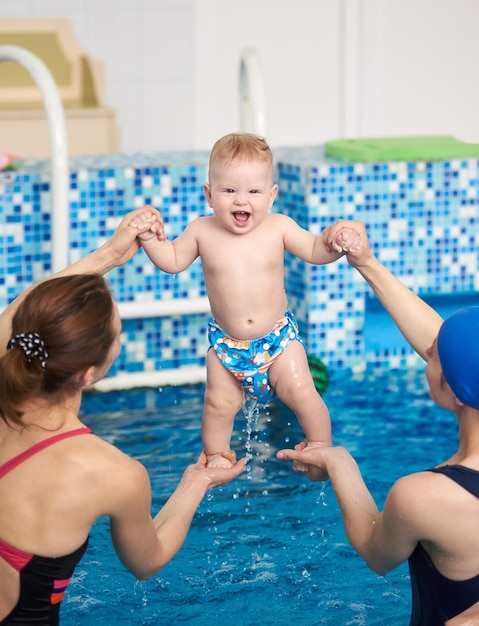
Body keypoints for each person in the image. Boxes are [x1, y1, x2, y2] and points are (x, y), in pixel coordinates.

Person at [0, 208, 246, 626]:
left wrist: (107, 257)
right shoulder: (111, 472)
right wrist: (197, 481)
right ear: (90, 372)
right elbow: (145, 562)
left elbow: (23, 316)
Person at [277, 220, 479, 626]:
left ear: (457, 391)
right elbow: (456, 350)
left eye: (434, 355)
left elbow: (376, 551)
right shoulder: (464, 381)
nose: (427, 349)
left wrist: (340, 463)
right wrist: (366, 263)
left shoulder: (425, 497)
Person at [128, 132, 362, 469]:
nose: (241, 200)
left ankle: (320, 447)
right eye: (229, 190)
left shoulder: (279, 227)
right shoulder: (201, 231)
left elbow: (314, 250)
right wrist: (150, 238)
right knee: (218, 404)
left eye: (253, 191)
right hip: (227, 346)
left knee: (302, 392)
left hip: (278, 341)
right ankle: (216, 457)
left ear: (271, 195)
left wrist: (332, 241)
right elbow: (173, 261)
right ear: (209, 194)